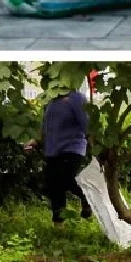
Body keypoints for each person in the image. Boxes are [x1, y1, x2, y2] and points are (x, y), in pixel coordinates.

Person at [40, 87, 92, 224]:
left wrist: (96, 147)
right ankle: (58, 223)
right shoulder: (51, 99)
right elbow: (45, 125)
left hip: (73, 147)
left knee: (67, 178)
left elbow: (87, 125)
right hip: (53, 149)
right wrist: (35, 140)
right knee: (55, 186)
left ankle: (87, 197)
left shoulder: (77, 98)